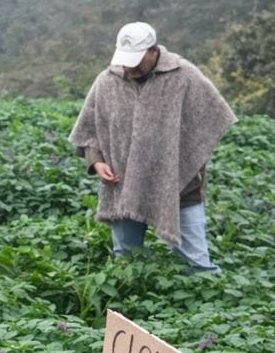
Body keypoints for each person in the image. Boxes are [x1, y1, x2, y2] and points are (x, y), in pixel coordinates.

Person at [69, 22, 236, 273]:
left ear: (153, 50)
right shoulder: (107, 82)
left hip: (180, 187)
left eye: (137, 60)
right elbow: (89, 129)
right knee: (125, 263)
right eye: (126, 60)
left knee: (197, 266)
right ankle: (129, 308)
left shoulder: (184, 76)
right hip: (125, 185)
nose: (130, 66)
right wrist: (96, 161)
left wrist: (185, 158)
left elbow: (212, 116)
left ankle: (202, 309)